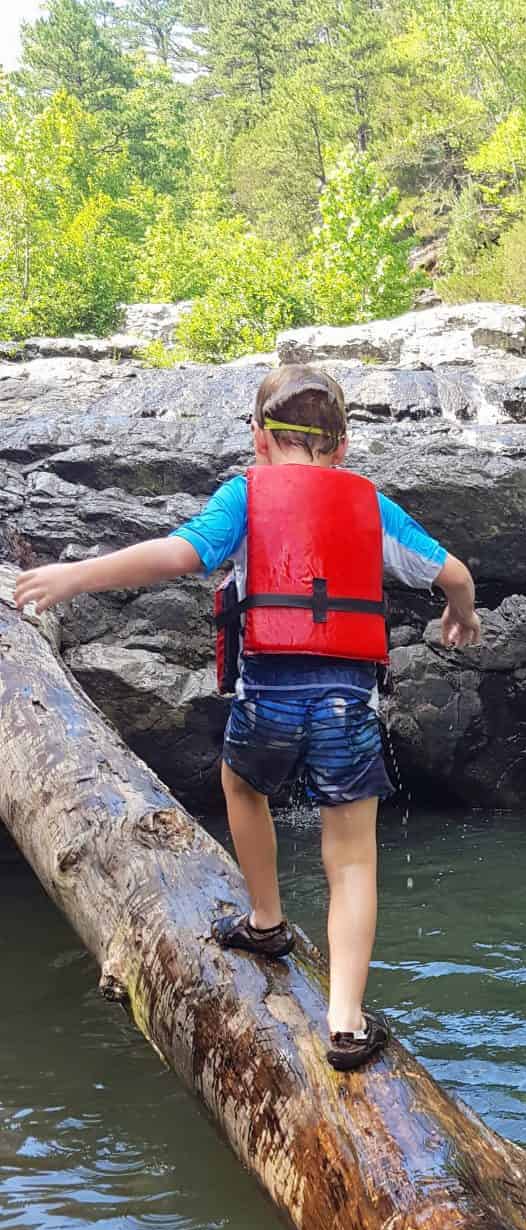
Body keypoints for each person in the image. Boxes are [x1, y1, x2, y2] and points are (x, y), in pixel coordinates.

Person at [14, 366, 481, 1070]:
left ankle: (266, 921)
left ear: (259, 439)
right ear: (343, 446)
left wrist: (74, 575)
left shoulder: (243, 496)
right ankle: (347, 1024)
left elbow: (176, 555)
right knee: (351, 858)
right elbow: (455, 573)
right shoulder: (373, 507)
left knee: (242, 786)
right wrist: (460, 616)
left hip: (265, 696)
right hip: (346, 703)